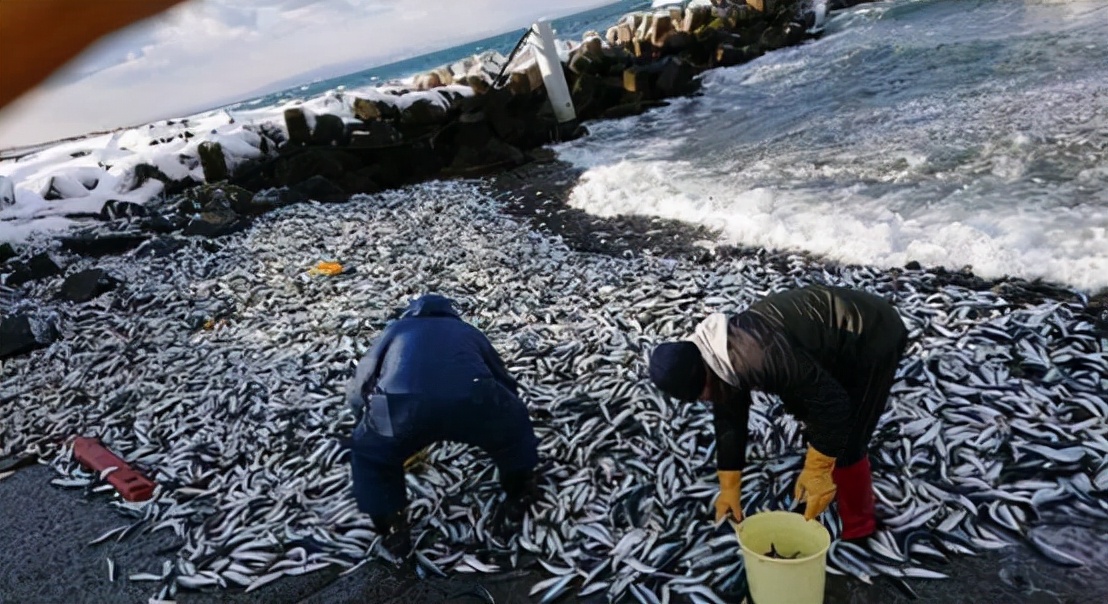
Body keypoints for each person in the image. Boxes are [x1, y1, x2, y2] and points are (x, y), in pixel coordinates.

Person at [648, 284, 908, 541]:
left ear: (703, 375)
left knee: (849, 435)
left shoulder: (756, 356)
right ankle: (827, 459)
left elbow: (834, 404)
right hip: (828, 337)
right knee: (814, 409)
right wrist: (730, 485)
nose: (704, 399)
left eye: (700, 393)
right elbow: (730, 419)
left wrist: (818, 468)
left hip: (872, 333)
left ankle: (859, 526)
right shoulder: (718, 359)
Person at [345, 293, 540, 556]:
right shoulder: (468, 331)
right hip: (473, 399)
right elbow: (500, 376)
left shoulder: (395, 329)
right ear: (451, 313)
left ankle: (391, 527)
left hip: (398, 403)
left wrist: (363, 420)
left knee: (371, 456)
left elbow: (363, 379)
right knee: (514, 429)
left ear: (411, 313)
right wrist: (508, 410)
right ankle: (519, 494)